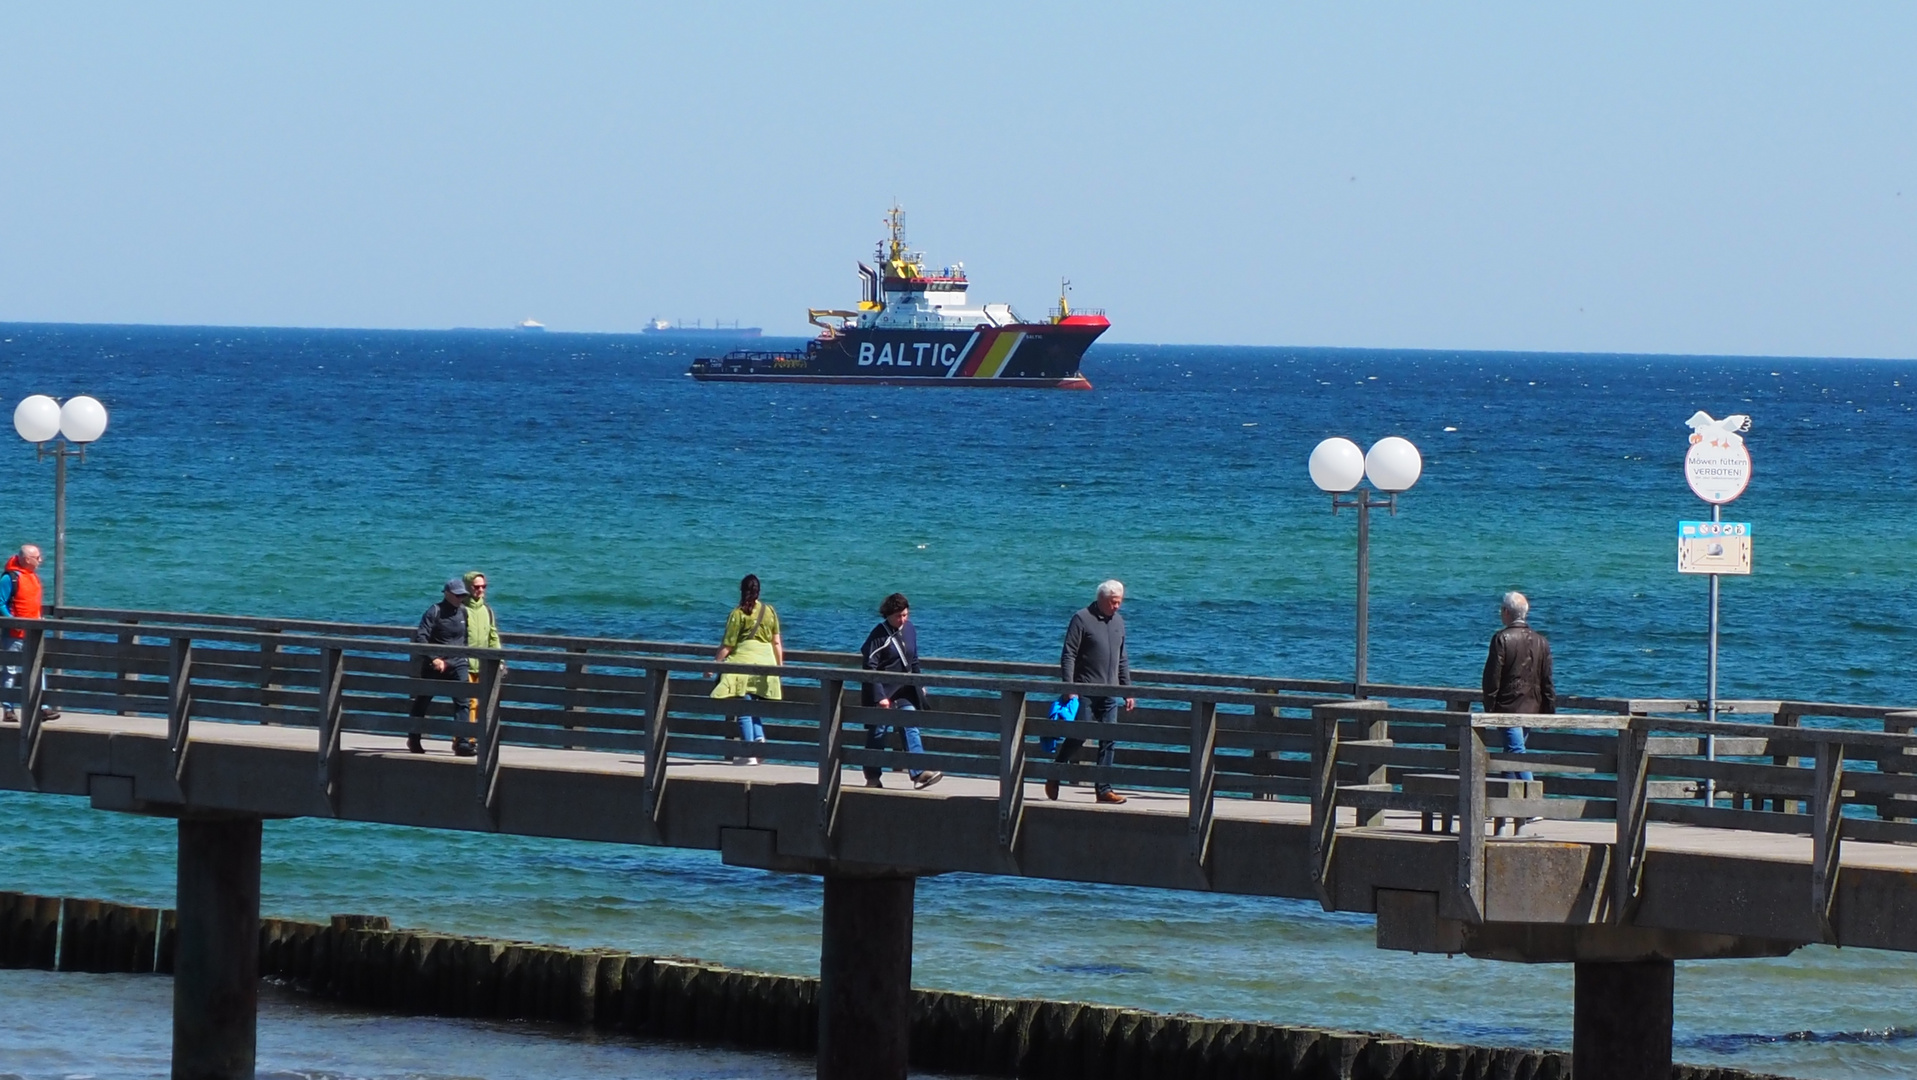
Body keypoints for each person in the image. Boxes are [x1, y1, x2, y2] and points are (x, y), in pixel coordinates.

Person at [1049, 579, 1135, 804]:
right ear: (1101, 599)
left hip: (1110, 691)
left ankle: (1103, 789)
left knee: (1109, 739)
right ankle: (1055, 772)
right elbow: (1068, 654)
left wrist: (1127, 690)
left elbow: (1122, 658)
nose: (1116, 607)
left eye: (1119, 603)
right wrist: (1070, 687)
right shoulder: (1081, 618)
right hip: (1085, 689)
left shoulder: (1119, 622)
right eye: (1113, 602)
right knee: (1079, 736)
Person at [858, 593, 943, 790]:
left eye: (905, 615)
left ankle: (918, 773)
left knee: (910, 724)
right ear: (888, 615)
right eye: (898, 616)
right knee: (879, 732)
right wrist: (879, 697)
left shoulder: (910, 630)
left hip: (905, 690)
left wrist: (919, 682)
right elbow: (869, 667)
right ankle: (872, 777)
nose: (902, 620)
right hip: (883, 690)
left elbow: (914, 660)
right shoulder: (878, 635)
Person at [1482, 590, 1554, 782]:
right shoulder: (1542, 641)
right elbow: (1547, 681)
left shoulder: (1501, 639)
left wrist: (1489, 708)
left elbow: (1492, 678)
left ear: (1506, 612)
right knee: (1511, 752)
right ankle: (1504, 805)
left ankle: (1532, 807)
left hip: (1508, 708)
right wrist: (1548, 711)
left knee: (1515, 753)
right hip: (1532, 708)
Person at [711, 574, 783, 765]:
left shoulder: (738, 613)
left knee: (742, 706)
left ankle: (748, 751)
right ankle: (759, 739)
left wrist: (714, 665)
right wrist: (780, 667)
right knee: (753, 703)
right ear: (759, 591)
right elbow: (776, 642)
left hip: (743, 663)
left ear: (742, 590)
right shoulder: (770, 611)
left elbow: (728, 645)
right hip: (766, 663)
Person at [408, 578, 472, 756]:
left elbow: (465, 639)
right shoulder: (434, 611)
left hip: (458, 663)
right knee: (423, 701)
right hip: (435, 665)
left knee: (463, 703)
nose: (460, 598)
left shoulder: (464, 612)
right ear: (447, 594)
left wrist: (463, 658)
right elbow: (421, 637)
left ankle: (462, 742)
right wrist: (434, 658)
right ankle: (414, 737)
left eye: (463, 595)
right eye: (457, 595)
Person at [0, 544, 56, 725]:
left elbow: (33, 604)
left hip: (33, 633)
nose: (41, 561)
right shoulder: (10, 578)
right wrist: (13, 620)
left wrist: (39, 618)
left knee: (38, 668)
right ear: (26, 559)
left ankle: (43, 707)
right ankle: (8, 709)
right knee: (10, 671)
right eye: (37, 557)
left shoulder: (33, 578)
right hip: (14, 634)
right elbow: (0, 603)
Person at [460, 570, 502, 754]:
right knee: (468, 703)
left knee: (480, 703)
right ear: (468, 587)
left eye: (483, 587)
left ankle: (472, 738)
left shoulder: (488, 611)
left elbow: (493, 637)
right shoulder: (461, 610)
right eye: (476, 587)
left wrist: (498, 659)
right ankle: (464, 739)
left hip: (483, 665)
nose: (481, 590)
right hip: (464, 664)